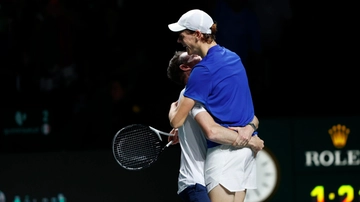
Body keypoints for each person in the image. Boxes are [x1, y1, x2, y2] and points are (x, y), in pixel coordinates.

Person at [167, 9, 260, 202]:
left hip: (223, 154)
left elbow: (177, 121)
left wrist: (172, 111)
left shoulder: (202, 70)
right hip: (245, 155)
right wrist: (250, 132)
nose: (179, 41)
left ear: (198, 35)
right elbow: (251, 116)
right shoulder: (234, 58)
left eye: (182, 35)